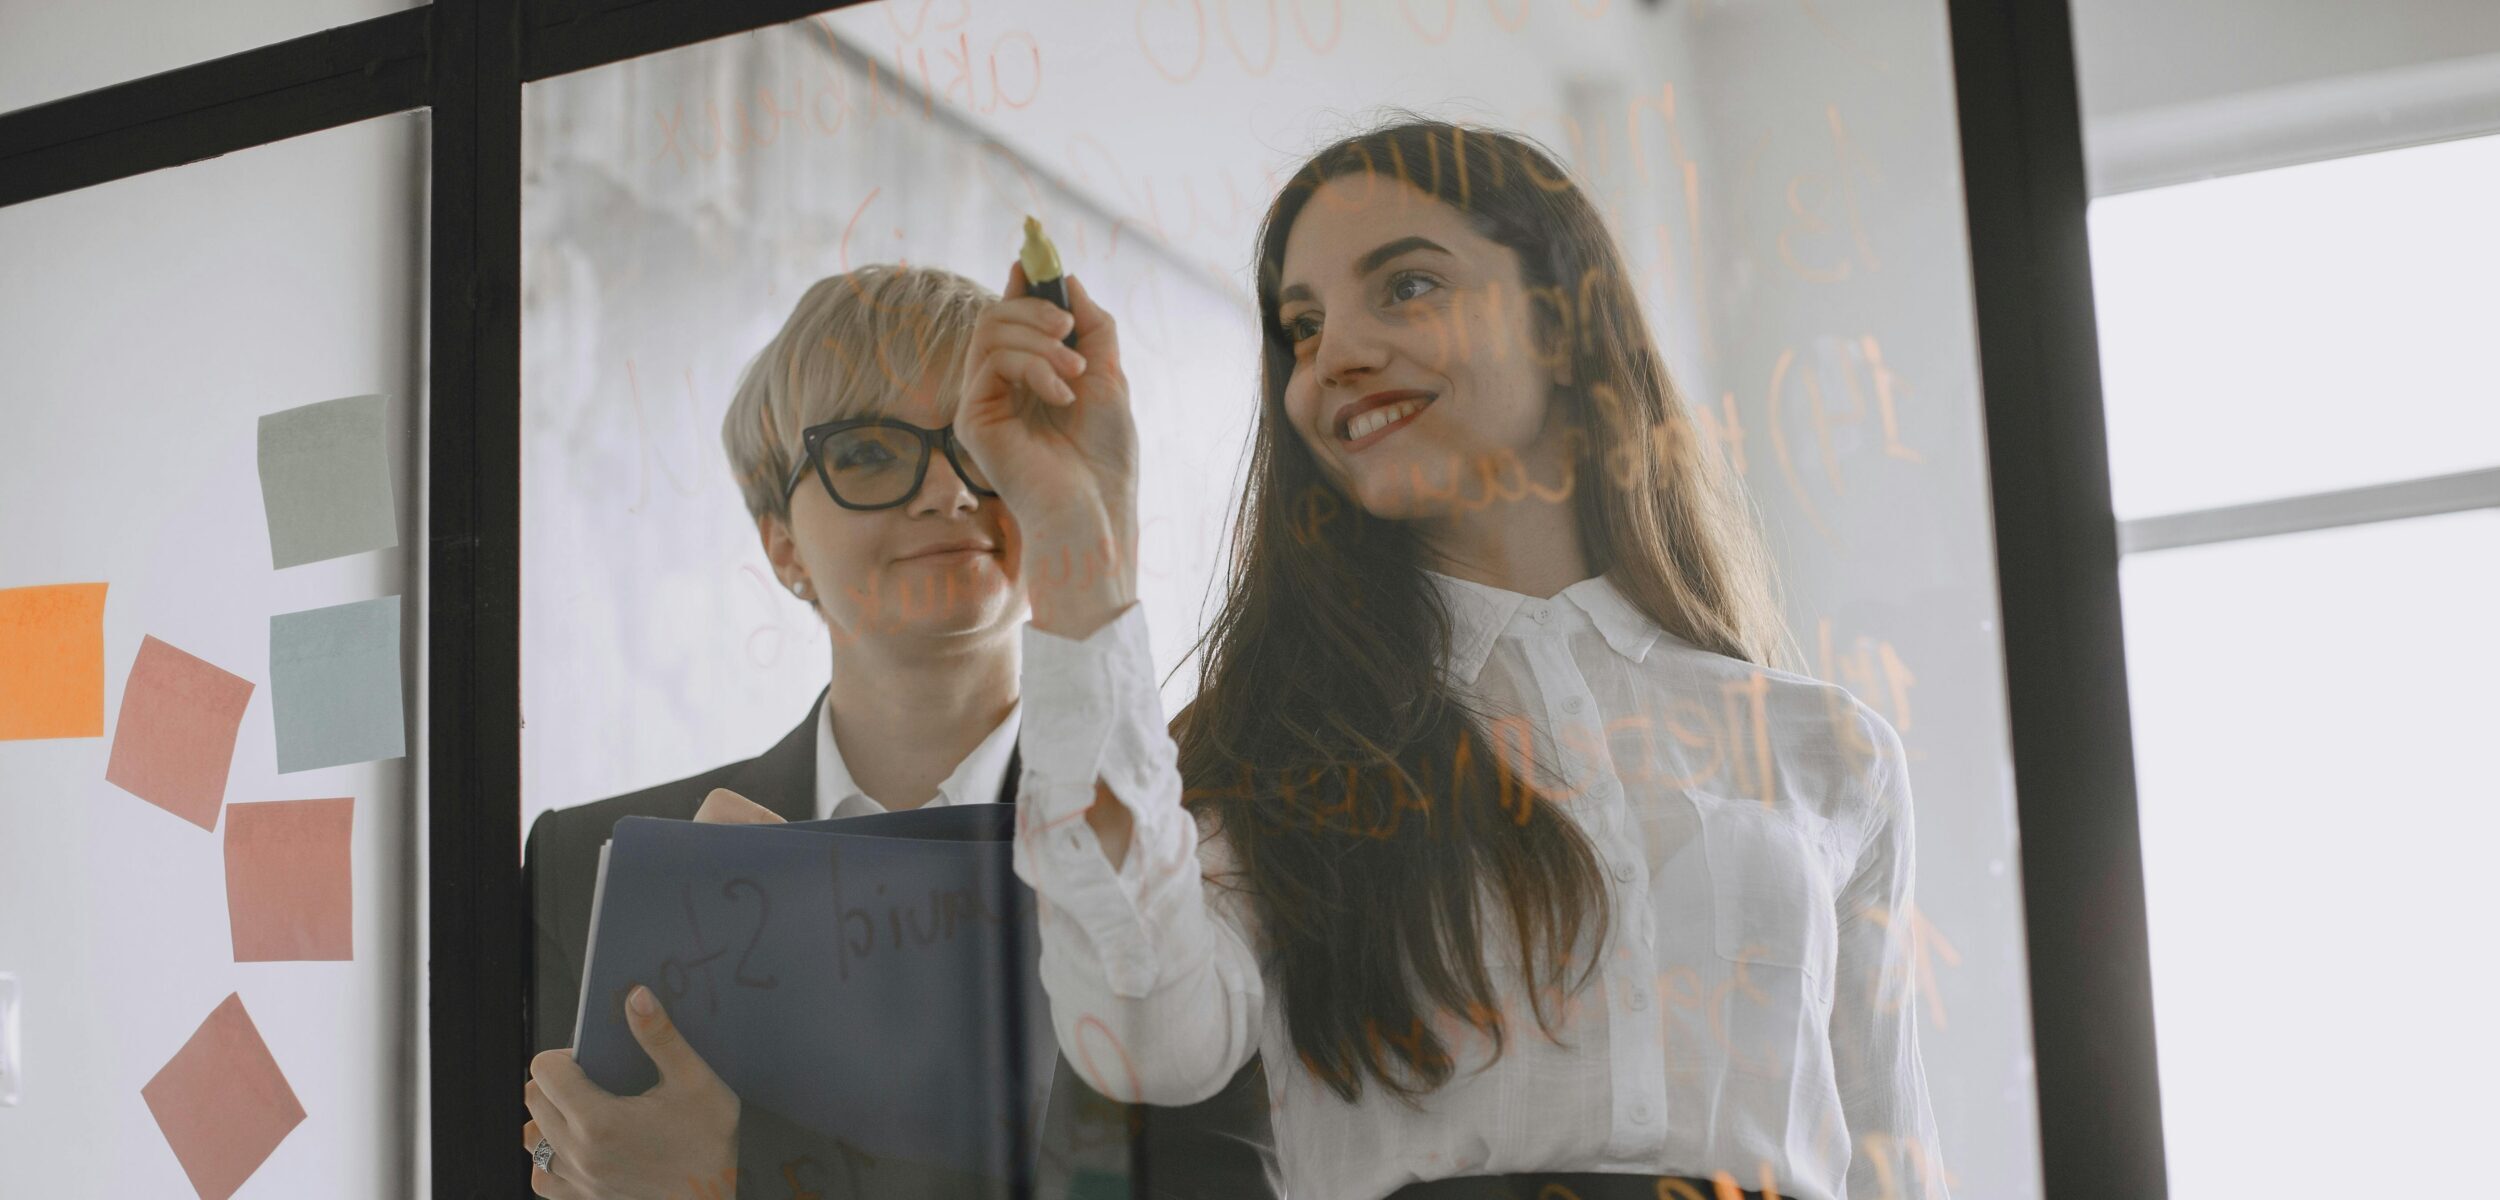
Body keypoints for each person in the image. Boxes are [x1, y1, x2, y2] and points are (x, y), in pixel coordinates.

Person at [954, 120, 1951, 1200]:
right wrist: (1076, 536)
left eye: (1408, 287)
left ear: (1564, 326)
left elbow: (1894, 1158)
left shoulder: (1826, 749)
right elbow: (1140, 1037)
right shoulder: (1275, 745)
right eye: (1302, 325)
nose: (1335, 353)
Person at [519, 265, 1280, 1200]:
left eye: (979, 442)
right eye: (870, 453)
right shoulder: (584, 866)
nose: (947, 492)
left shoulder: (1179, 847)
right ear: (781, 545)